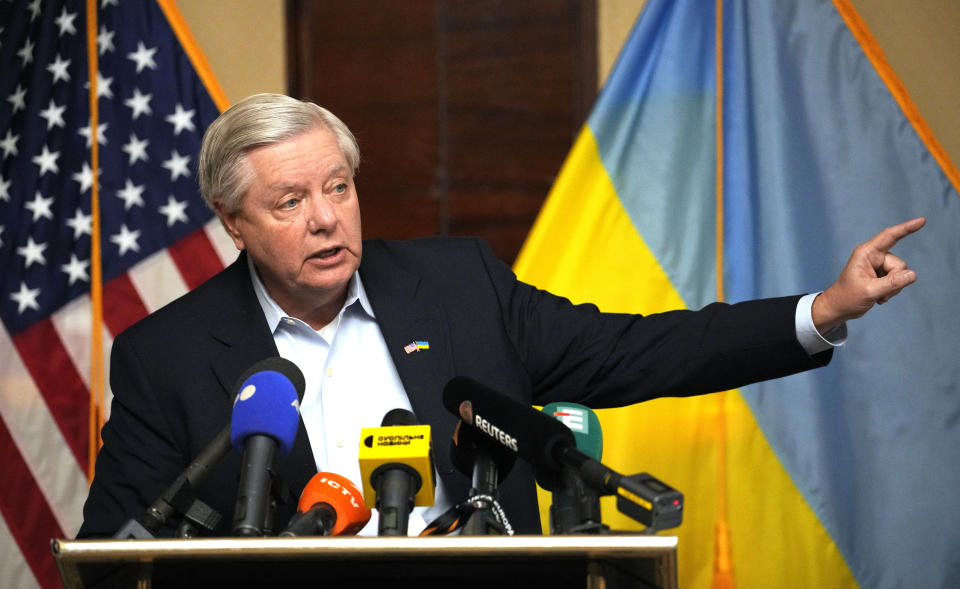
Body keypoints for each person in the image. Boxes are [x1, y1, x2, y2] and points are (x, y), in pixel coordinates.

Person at [77, 93, 924, 539]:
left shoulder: (458, 285)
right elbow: (114, 556)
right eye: (290, 201)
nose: (328, 217)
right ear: (233, 221)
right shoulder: (169, 354)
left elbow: (635, 350)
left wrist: (823, 308)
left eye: (338, 186)